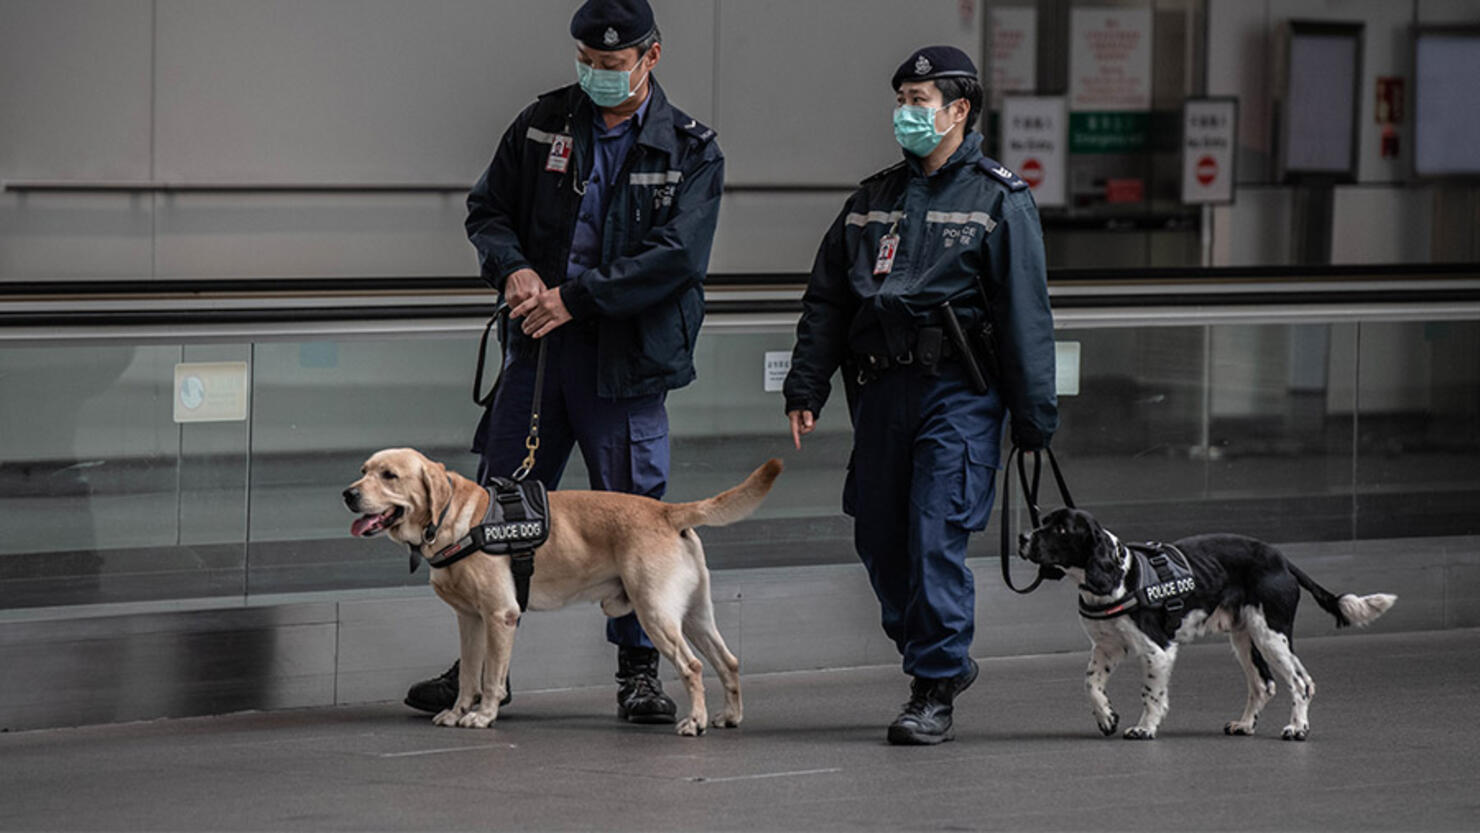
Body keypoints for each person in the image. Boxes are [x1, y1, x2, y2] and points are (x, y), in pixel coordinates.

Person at [404, 0, 724, 725]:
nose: (597, 76)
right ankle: (484, 669)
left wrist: (577, 297)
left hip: (627, 357)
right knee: (496, 504)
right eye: (586, 63)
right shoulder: (543, 122)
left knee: (633, 517)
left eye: (612, 66)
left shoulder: (691, 149)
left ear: (651, 57)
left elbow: (677, 258)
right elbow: (488, 210)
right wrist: (513, 268)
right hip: (540, 352)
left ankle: (639, 671)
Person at [783, 45, 1058, 745]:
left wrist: (1033, 416)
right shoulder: (869, 201)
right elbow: (827, 303)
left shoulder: (1000, 198)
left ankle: (934, 684)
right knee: (879, 534)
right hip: (880, 393)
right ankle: (936, 656)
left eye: (920, 100)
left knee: (936, 532)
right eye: (901, 99)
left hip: (957, 393)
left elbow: (1026, 313)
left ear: (959, 110)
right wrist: (805, 385)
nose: (907, 113)